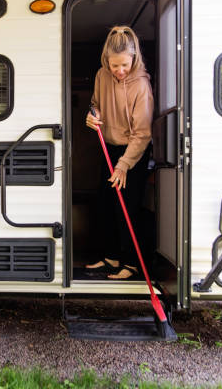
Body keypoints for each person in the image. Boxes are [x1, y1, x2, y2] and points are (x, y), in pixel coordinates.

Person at [84, 25, 153, 280]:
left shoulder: (141, 85)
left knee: (127, 207)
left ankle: (132, 263)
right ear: (107, 61)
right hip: (110, 147)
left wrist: (124, 165)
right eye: (115, 66)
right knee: (105, 203)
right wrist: (93, 116)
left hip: (133, 152)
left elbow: (143, 133)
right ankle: (112, 256)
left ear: (133, 59)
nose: (120, 71)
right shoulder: (102, 76)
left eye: (125, 65)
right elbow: (95, 104)